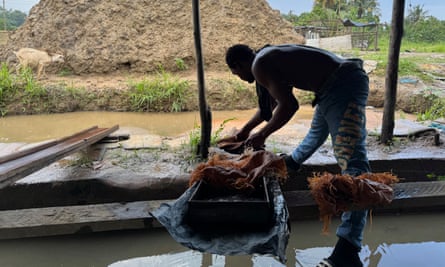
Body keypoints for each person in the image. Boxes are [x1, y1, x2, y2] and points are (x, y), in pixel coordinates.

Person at [223, 44, 371, 267]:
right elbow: (271, 104)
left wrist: (261, 135)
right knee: (316, 133)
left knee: (354, 165)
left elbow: (289, 105)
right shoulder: (264, 59)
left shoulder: (260, 65)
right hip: (332, 85)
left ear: (240, 64)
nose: (241, 79)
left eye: (237, 74)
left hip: (343, 85)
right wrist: (245, 132)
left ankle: (348, 250)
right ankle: (291, 163)